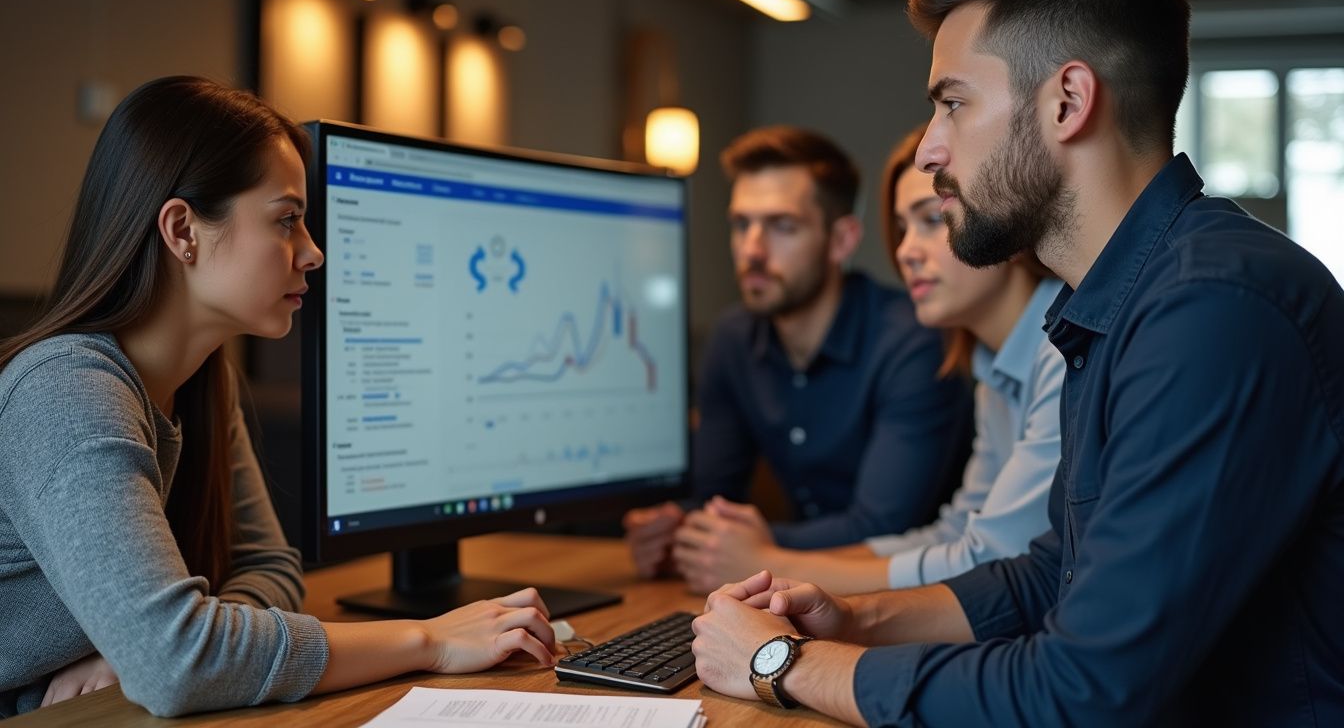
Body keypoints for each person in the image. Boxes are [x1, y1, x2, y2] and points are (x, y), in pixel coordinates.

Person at [689, 0, 1344, 725]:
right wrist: (852, 618)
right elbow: (1053, 574)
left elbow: (1079, 694)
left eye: (952, 105)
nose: (931, 151)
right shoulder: (1115, 303)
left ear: (1067, 101)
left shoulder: (1212, 309)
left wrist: (783, 663)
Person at [0, 76, 558, 719]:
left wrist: (152, 651)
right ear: (183, 230)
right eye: (287, 220)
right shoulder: (64, 392)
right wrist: (429, 640)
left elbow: (270, 570)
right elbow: (177, 665)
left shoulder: (205, 380)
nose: (313, 252)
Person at [673, 123, 1063, 595]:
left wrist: (768, 563)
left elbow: (989, 557)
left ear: (1008, 217)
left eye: (933, 220)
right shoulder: (991, 365)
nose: (904, 252)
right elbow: (958, 533)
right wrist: (743, 554)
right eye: (901, 228)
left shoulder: (1061, 349)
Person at [624, 126, 972, 576]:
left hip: (909, 593)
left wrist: (743, 547)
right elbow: (713, 497)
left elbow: (886, 525)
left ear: (842, 240)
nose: (752, 249)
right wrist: (670, 530)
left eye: (781, 226)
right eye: (741, 224)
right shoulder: (733, 339)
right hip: (793, 592)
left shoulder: (913, 339)